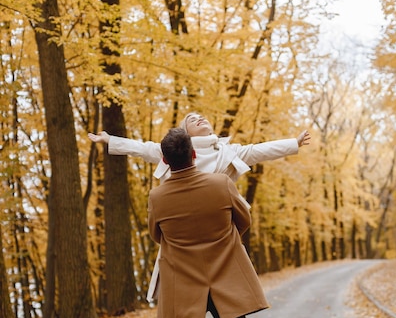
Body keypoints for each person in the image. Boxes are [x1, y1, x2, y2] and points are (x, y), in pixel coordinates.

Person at [88, 113, 311, 302]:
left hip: (218, 233)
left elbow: (258, 150)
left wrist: (294, 143)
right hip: (186, 232)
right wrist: (110, 140)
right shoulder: (172, 151)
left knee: (231, 313)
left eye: (201, 117)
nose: (199, 118)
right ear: (185, 135)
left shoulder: (228, 151)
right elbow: (142, 148)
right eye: (192, 120)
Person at [147, 127, 270, 318]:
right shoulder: (220, 184)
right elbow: (244, 220)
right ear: (193, 154)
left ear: (165, 159)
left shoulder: (158, 196)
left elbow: (156, 236)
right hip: (226, 276)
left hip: (183, 282)